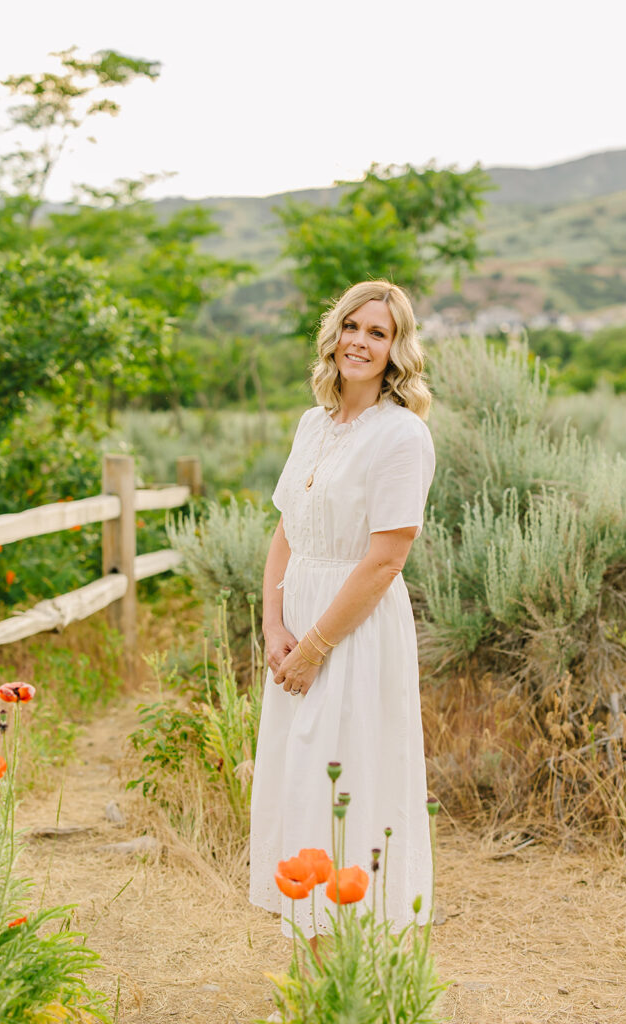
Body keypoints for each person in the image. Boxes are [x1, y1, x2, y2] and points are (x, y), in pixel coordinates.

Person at [249, 279, 435, 943]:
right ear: (334, 336)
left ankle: (351, 966)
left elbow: (386, 560)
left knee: (350, 780)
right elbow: (285, 530)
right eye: (351, 326)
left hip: (352, 632)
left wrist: (314, 647)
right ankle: (309, 960)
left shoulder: (401, 436)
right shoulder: (313, 423)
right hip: (295, 622)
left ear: (396, 349)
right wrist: (273, 627)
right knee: (299, 782)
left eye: (377, 332)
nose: (359, 341)